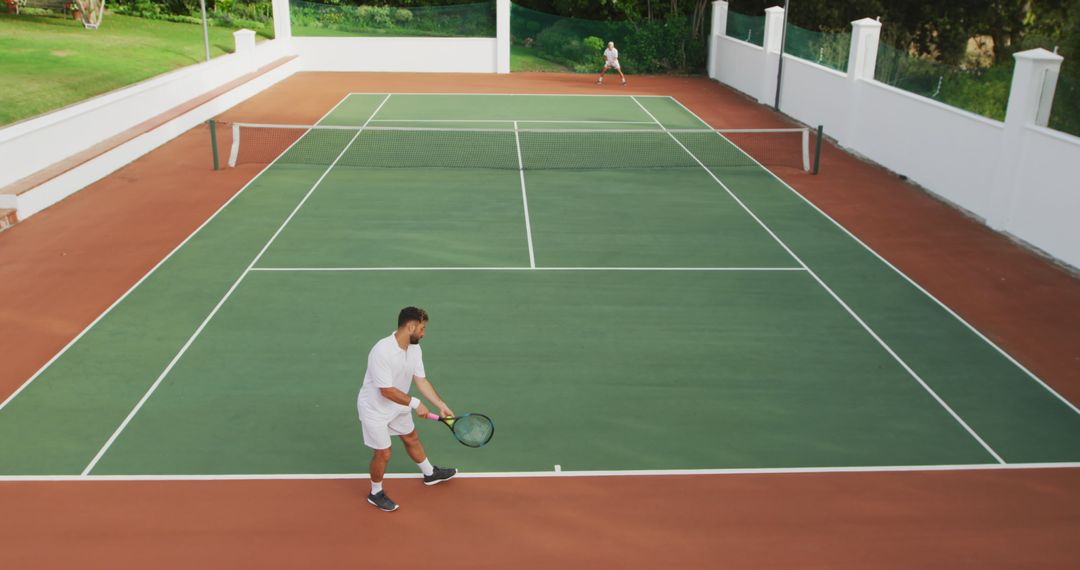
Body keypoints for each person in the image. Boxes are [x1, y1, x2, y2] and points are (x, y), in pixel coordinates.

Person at [357, 307, 456, 512]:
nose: (423, 333)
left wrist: (441, 405)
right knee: (384, 453)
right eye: (422, 328)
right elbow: (385, 390)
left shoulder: (414, 349)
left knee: (411, 437)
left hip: (399, 404)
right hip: (375, 409)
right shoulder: (382, 350)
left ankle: (430, 473)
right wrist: (414, 403)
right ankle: (375, 493)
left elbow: (421, 380)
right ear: (410, 326)